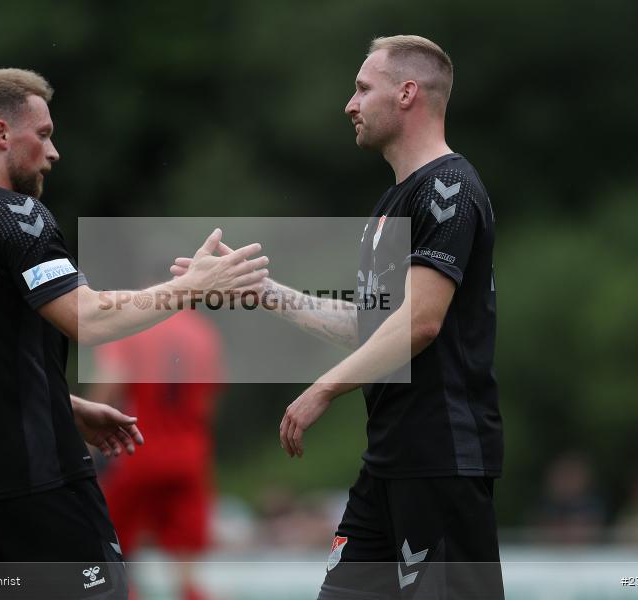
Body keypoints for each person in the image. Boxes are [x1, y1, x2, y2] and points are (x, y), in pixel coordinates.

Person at [0, 68, 267, 599]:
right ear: (1, 134)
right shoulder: (15, 215)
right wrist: (192, 287)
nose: (54, 152)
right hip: (34, 481)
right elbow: (88, 317)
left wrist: (61, 403)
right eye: (43, 134)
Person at [173, 35, 503, 599]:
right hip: (388, 461)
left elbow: (420, 322)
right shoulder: (390, 205)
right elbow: (375, 324)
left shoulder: (448, 188)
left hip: (440, 458)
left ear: (406, 93)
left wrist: (324, 388)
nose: (350, 104)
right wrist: (267, 291)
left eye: (361, 89)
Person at [89, 309, 223, 600]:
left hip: (138, 451)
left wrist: (86, 434)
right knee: (187, 571)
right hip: (190, 455)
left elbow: (113, 380)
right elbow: (209, 399)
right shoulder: (203, 332)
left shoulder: (134, 325)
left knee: (113, 545)